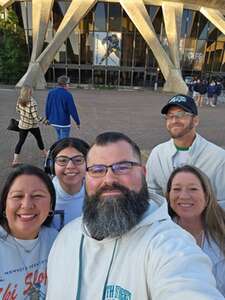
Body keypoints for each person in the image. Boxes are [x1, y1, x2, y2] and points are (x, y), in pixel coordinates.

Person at [46, 132, 224, 300]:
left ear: (143, 174)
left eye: (123, 167)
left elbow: (188, 286)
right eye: (98, 170)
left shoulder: (169, 244)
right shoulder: (66, 237)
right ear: (86, 176)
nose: (109, 179)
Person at [146, 94, 225, 209]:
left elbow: (222, 203)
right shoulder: (157, 154)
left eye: (181, 115)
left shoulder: (218, 158)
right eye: (170, 116)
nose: (174, 120)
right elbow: (152, 195)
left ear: (195, 121)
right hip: (167, 225)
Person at [166, 165, 225, 296]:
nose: (184, 196)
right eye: (176, 189)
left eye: (193, 189)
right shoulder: (160, 236)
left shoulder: (221, 231)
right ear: (168, 196)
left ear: (206, 195)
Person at [0, 164, 58, 299]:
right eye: (17, 196)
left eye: (37, 195)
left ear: (51, 205)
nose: (26, 205)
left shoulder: (56, 240)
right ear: (4, 204)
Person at [44, 137, 90, 230]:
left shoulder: (99, 194)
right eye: (62, 160)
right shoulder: (42, 195)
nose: (70, 166)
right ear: (52, 166)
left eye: (78, 160)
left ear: (88, 164)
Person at [12, 85, 48, 166]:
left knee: (20, 142)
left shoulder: (20, 99)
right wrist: (45, 121)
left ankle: (15, 160)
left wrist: (24, 115)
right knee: (39, 139)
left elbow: (17, 110)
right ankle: (45, 154)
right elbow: (35, 117)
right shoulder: (32, 102)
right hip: (32, 125)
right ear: (30, 92)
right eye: (32, 90)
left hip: (23, 125)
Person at [45, 75, 80, 140]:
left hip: (54, 121)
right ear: (64, 84)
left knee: (59, 138)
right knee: (64, 142)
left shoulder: (51, 93)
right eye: (68, 83)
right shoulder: (67, 95)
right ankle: (59, 149)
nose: (69, 85)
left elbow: (48, 106)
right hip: (64, 123)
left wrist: (47, 118)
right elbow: (72, 110)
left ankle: (58, 148)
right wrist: (77, 122)